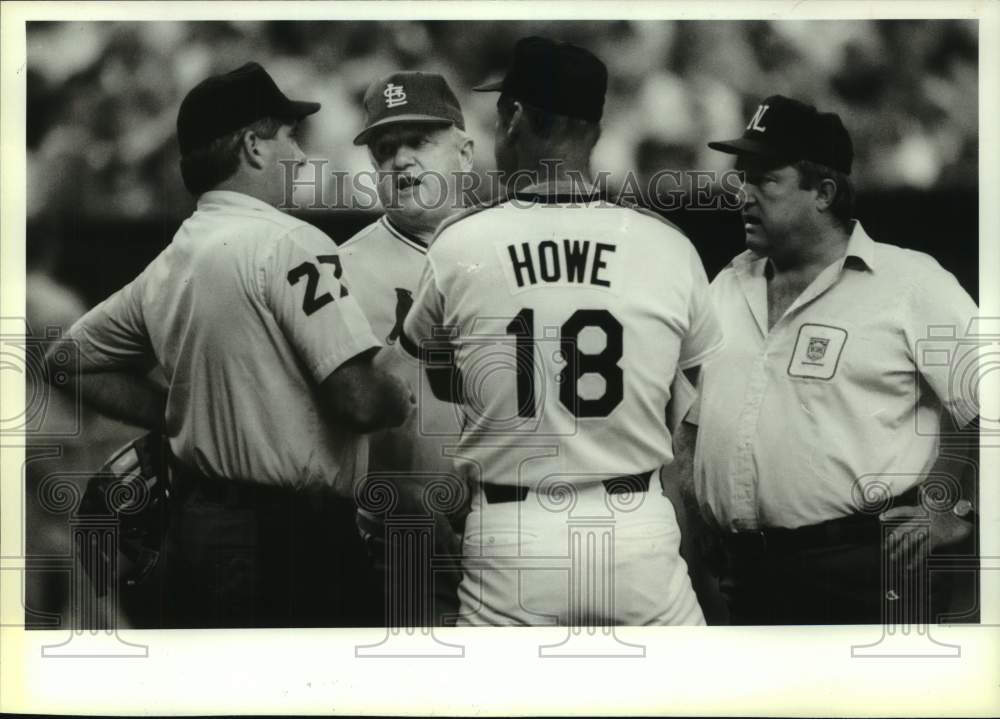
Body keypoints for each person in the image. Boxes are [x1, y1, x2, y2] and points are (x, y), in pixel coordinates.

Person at [46, 62, 413, 628]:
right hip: (295, 542)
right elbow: (359, 401)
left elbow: (68, 361)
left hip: (196, 529)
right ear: (252, 146)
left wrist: (176, 416)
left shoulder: (173, 259)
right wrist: (397, 393)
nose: (297, 153)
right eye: (288, 136)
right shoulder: (290, 242)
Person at [401, 37, 723, 626]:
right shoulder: (667, 245)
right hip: (635, 525)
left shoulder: (460, 244)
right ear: (595, 131)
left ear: (516, 118)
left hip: (512, 530)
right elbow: (692, 397)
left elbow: (445, 380)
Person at [688, 94, 980, 624]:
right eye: (741, 178)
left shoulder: (909, 282)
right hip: (747, 572)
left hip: (865, 567)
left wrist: (948, 506)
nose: (743, 195)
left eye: (765, 179)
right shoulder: (726, 285)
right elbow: (691, 420)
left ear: (823, 192)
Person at [339, 71, 473, 627]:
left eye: (420, 141)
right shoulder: (338, 270)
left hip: (522, 535)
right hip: (403, 545)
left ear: (464, 152)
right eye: (385, 148)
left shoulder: (515, 251)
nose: (400, 160)